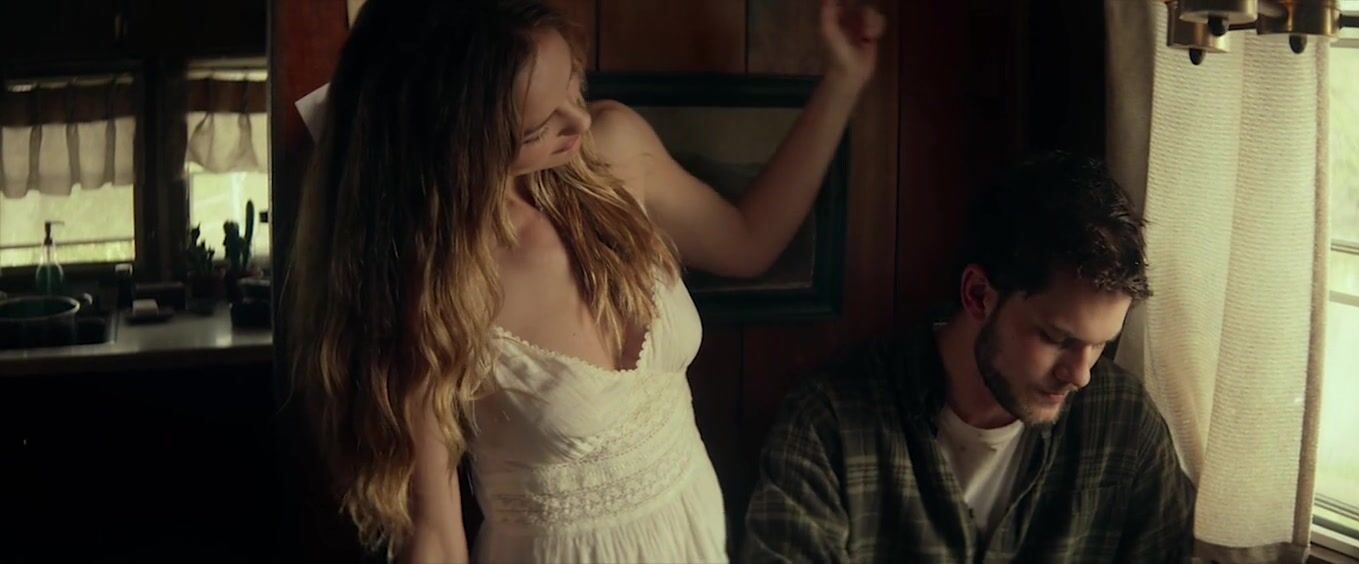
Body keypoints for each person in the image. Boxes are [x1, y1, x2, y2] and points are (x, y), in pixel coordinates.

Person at [287, 0, 884, 562]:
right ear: (454, 143)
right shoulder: (429, 291)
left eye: (573, 82)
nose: (580, 119)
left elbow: (750, 240)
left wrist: (843, 81)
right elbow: (437, 538)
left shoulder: (614, 150)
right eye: (537, 128)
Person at [742, 153, 1196, 562]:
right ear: (979, 295)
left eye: (1100, 345)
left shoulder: (1124, 422)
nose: (1080, 375)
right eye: (1057, 338)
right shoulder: (831, 422)